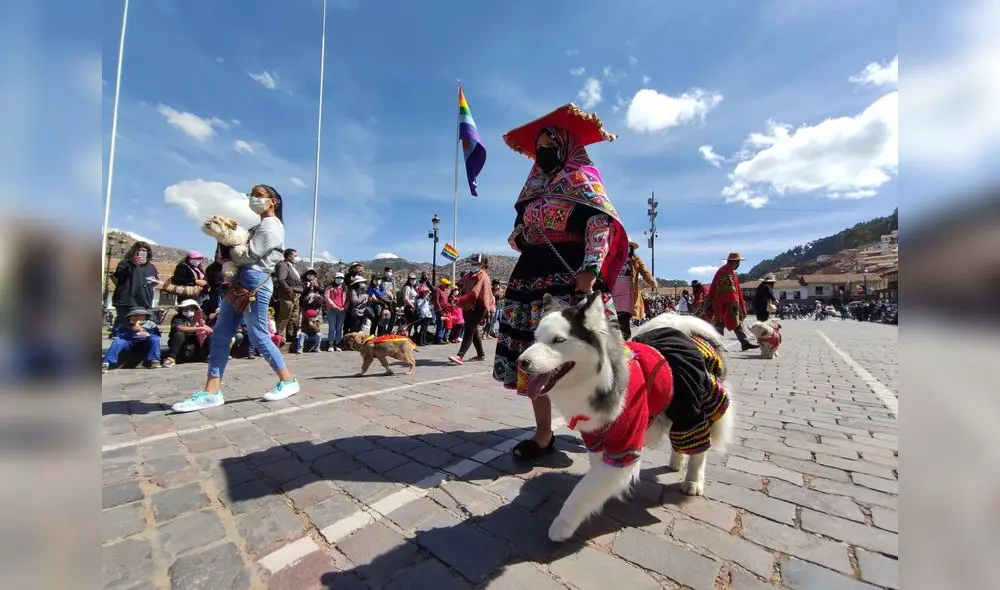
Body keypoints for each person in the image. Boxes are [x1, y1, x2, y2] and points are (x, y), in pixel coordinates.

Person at [494, 104, 629, 462]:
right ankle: (543, 434)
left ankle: (600, 428)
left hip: (572, 276)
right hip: (529, 278)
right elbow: (515, 237)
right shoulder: (533, 190)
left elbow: (598, 225)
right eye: (539, 148)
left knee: (583, 353)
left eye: (549, 145)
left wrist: (591, 266)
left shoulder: (583, 180)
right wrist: (525, 233)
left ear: (565, 145)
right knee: (536, 355)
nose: (542, 153)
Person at [171, 184, 299, 412]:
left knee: (259, 334)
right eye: (252, 195)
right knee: (221, 334)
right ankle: (212, 391)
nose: (254, 199)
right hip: (241, 281)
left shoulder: (271, 226)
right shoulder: (259, 226)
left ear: (273, 201)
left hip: (254, 280)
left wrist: (227, 245)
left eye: (259, 195)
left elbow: (249, 254)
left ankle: (288, 380)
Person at [448, 254, 495, 365]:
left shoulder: (482, 276)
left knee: (469, 330)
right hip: (469, 306)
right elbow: (458, 284)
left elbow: (474, 293)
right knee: (473, 331)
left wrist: (460, 299)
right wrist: (453, 294)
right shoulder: (469, 275)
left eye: (475, 264)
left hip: (479, 307)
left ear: (481, 265)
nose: (473, 265)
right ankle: (481, 354)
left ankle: (460, 355)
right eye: (472, 263)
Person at [707, 252, 758, 351]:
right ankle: (718, 345)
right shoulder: (726, 271)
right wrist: (734, 302)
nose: (739, 264)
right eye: (738, 262)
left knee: (733, 323)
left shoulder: (727, 270)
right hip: (725, 303)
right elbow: (728, 290)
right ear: (736, 262)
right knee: (721, 323)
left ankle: (744, 343)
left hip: (725, 302)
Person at [611, 240, 657, 340]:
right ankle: (614, 341)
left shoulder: (635, 259)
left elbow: (645, 272)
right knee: (613, 318)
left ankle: (626, 342)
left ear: (631, 248)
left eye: (628, 246)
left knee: (624, 319)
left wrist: (651, 281)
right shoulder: (613, 259)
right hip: (614, 291)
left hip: (628, 292)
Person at [110, 242, 159, 334]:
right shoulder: (125, 263)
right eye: (139, 250)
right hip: (127, 302)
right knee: (124, 330)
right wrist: (132, 265)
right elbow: (119, 277)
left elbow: (154, 281)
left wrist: (153, 282)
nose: (141, 252)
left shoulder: (151, 267)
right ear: (134, 251)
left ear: (148, 253)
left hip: (144, 302)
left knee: (144, 330)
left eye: (144, 251)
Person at [102, 308, 162, 372]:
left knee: (155, 338)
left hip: (144, 345)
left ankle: (154, 360)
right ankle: (106, 362)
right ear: (130, 317)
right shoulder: (124, 325)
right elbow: (118, 336)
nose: (138, 317)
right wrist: (131, 331)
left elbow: (157, 335)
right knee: (118, 341)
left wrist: (146, 333)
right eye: (135, 315)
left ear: (145, 316)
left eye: (141, 315)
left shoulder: (151, 324)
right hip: (129, 345)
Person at [162, 299, 212, 367]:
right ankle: (171, 358)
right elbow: (180, 328)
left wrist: (205, 327)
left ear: (195, 310)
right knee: (179, 334)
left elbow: (210, 330)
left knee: (211, 335)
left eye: (191, 309)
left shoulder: (196, 319)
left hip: (195, 346)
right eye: (186, 308)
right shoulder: (177, 318)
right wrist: (199, 328)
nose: (189, 310)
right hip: (181, 346)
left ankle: (210, 355)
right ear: (181, 309)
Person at [274, 248, 303, 347]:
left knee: (294, 317)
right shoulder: (282, 265)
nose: (296, 257)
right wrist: (289, 291)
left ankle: (291, 337)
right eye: (295, 256)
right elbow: (281, 280)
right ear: (289, 256)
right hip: (288, 295)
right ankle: (278, 338)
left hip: (296, 295)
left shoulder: (292, 267)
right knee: (284, 317)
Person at [324, 272, 348, 351]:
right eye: (338, 278)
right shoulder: (330, 287)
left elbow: (348, 299)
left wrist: (344, 307)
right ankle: (331, 344)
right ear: (335, 278)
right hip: (332, 310)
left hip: (342, 311)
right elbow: (327, 297)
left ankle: (337, 344)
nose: (339, 279)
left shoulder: (345, 288)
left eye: (341, 278)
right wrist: (335, 307)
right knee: (332, 327)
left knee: (339, 328)